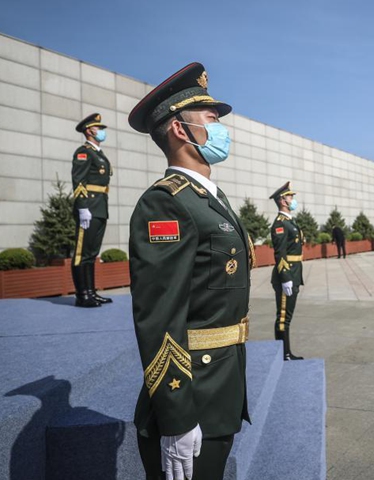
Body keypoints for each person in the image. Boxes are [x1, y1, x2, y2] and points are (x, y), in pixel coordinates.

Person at [127, 62, 251, 480]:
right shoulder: (166, 203)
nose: (221, 129)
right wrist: (177, 417)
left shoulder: (207, 198)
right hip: (192, 392)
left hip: (221, 384)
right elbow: (159, 316)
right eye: (212, 120)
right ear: (181, 129)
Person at [71, 113, 113, 308]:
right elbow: (78, 181)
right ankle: (82, 295)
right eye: (99, 128)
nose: (102, 131)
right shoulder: (84, 152)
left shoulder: (99, 153)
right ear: (90, 130)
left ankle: (91, 292)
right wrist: (82, 208)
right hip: (88, 207)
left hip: (100, 207)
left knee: (91, 253)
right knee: (82, 253)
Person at [269, 182, 305, 361]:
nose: (293, 199)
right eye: (290, 196)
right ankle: (284, 354)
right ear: (282, 200)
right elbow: (280, 252)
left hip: (294, 273)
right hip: (287, 274)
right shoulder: (279, 224)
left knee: (287, 316)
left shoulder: (290, 221)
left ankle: (286, 353)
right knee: (284, 316)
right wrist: (285, 277)